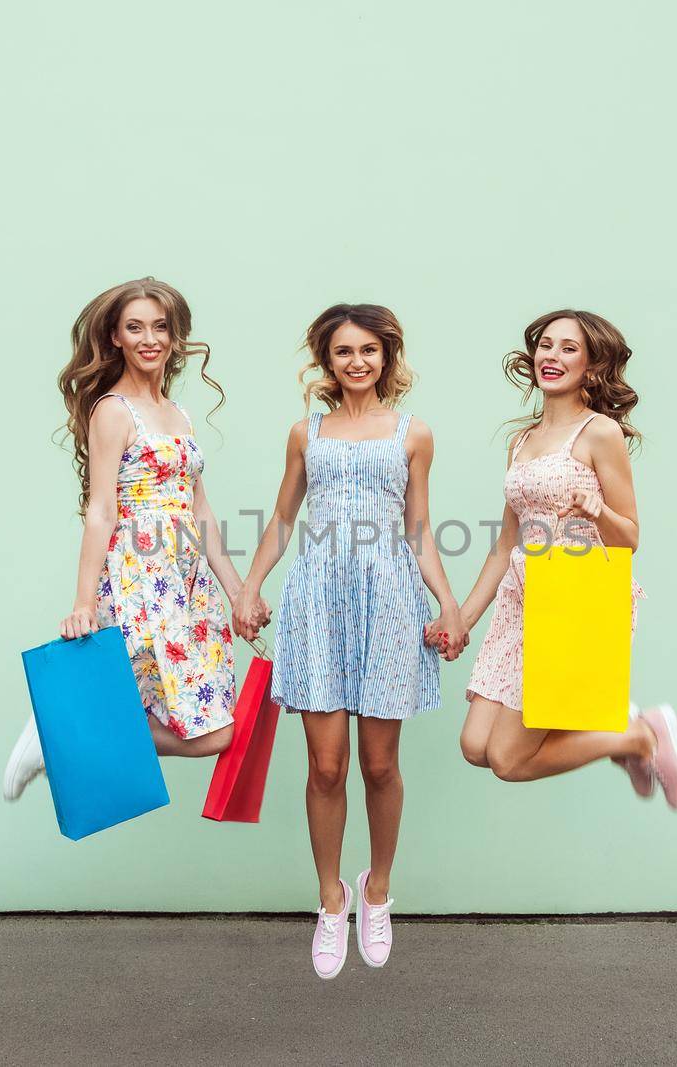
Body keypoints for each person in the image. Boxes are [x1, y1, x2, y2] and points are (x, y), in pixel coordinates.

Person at [234, 303, 465, 979]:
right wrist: (249, 586)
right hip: (317, 599)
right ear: (326, 361)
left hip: (391, 597)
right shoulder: (305, 433)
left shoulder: (414, 433)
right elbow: (282, 519)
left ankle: (378, 889)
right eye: (344, 352)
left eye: (369, 350)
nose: (357, 361)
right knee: (326, 765)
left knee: (380, 765)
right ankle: (331, 898)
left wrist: (448, 602)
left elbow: (419, 527)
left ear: (386, 356)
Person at [2, 277, 245, 800]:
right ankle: (57, 734)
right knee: (186, 722)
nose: (149, 339)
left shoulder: (178, 414)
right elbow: (101, 509)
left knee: (217, 732)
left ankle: (59, 735)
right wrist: (83, 602)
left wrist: (238, 591)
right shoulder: (113, 411)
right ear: (115, 337)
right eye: (135, 327)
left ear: (175, 336)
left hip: (185, 577)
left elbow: (200, 510)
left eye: (160, 327)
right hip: (140, 573)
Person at [458, 309, 677, 808]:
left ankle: (639, 737)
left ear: (590, 365)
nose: (552, 356)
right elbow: (506, 544)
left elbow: (629, 538)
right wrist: (462, 619)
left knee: (508, 759)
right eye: (546, 344)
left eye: (569, 348)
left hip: (573, 604)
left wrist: (599, 511)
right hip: (521, 602)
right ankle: (624, 732)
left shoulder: (600, 433)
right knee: (475, 747)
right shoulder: (520, 441)